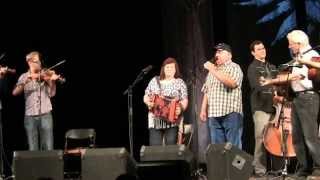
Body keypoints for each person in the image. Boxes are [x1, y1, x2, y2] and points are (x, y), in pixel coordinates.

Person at [261, 30, 320, 178]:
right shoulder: (298, 58)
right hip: (297, 99)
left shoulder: (311, 56)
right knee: (298, 137)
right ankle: (304, 169)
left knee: (310, 136)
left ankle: (318, 168)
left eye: (291, 44)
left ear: (299, 43)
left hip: (308, 98)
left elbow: (297, 75)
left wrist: (272, 81)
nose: (289, 46)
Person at [12, 51, 60, 151]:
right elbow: (15, 93)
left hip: (46, 115)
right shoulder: (24, 77)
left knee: (48, 147)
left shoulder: (46, 75)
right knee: (32, 148)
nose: (40, 64)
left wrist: (52, 82)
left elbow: (52, 94)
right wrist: (26, 81)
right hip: (30, 117)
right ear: (29, 62)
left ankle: (48, 166)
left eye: (39, 61)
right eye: (36, 61)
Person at [199, 43, 243, 149]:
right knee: (218, 149)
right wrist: (203, 109)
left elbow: (232, 83)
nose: (216, 54)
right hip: (214, 114)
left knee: (234, 148)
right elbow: (207, 90)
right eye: (216, 52)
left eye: (220, 52)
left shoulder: (234, 67)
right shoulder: (212, 71)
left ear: (229, 55)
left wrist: (213, 69)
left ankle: (233, 167)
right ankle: (221, 166)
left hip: (231, 113)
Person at [247, 40, 278, 177]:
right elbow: (257, 85)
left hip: (275, 108)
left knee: (276, 138)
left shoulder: (272, 67)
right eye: (258, 49)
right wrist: (273, 85)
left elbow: (279, 84)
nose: (262, 50)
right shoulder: (252, 68)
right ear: (253, 53)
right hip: (260, 108)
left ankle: (278, 169)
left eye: (263, 48)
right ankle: (260, 170)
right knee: (260, 139)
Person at [143, 57, 188, 145]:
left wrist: (181, 108)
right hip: (155, 119)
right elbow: (146, 95)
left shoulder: (179, 82)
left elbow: (184, 99)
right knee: (155, 147)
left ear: (176, 69)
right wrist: (148, 102)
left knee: (171, 147)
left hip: (172, 120)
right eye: (167, 67)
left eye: (172, 67)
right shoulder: (154, 81)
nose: (169, 69)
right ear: (163, 69)